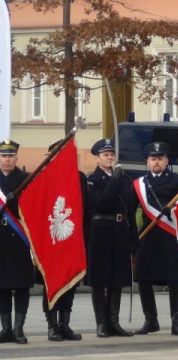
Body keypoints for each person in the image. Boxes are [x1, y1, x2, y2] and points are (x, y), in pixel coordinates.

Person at [133, 142, 178, 336]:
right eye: (153, 159)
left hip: (170, 235)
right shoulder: (139, 183)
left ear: (167, 161)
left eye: (161, 158)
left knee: (174, 280)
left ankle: (176, 321)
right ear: (147, 162)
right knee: (144, 279)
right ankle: (150, 320)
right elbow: (132, 209)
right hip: (148, 236)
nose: (157, 162)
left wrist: (173, 211)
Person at [36, 140, 88, 341]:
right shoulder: (42, 178)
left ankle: (64, 324)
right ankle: (51, 325)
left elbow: (86, 209)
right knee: (51, 283)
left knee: (70, 282)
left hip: (72, 239)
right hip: (50, 241)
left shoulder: (79, 178)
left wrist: (86, 239)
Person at [87, 139, 137, 338]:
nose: (110, 157)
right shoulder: (93, 179)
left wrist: (134, 236)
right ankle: (101, 323)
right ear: (98, 158)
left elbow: (130, 209)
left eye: (111, 154)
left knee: (117, 279)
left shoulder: (124, 179)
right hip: (101, 231)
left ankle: (113, 322)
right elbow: (103, 203)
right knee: (100, 280)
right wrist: (115, 180)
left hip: (120, 229)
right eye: (105, 154)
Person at [0, 140, 33, 344]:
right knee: (1, 286)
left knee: (22, 285)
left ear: (16, 158)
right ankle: (6, 330)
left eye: (11, 156)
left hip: (19, 239)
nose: (7, 159)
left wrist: (16, 201)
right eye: (4, 156)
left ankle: (18, 329)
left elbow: (32, 208)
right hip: (0, 240)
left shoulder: (25, 179)